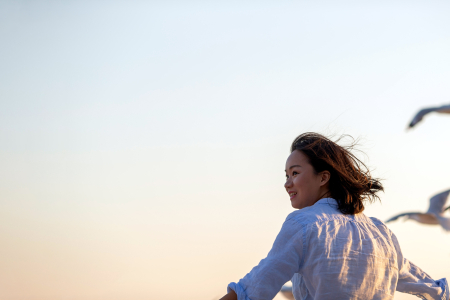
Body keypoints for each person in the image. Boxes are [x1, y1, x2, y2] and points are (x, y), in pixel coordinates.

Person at [219, 132, 449, 300]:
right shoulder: (382, 234)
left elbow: (254, 289)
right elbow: (435, 290)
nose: (287, 184)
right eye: (286, 175)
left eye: (295, 173)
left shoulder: (304, 224)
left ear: (323, 177)